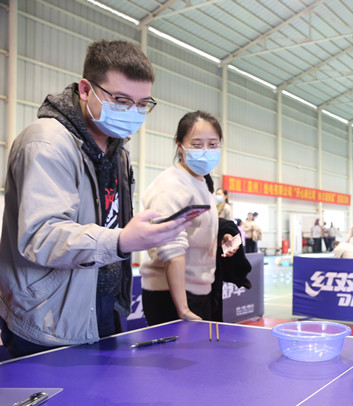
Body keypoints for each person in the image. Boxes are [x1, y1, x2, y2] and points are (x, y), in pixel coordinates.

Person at [0, 40, 190, 358]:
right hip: (49, 314)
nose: (133, 112)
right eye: (121, 100)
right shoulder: (47, 143)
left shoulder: (118, 150)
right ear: (86, 90)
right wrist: (121, 241)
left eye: (143, 104)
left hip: (102, 303)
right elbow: (40, 236)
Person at [139, 111, 239, 326]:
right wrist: (183, 309)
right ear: (179, 145)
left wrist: (220, 239)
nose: (206, 151)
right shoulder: (171, 185)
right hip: (173, 294)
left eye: (213, 145)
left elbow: (195, 231)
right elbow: (172, 251)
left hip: (197, 289)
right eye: (197, 144)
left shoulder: (201, 182)